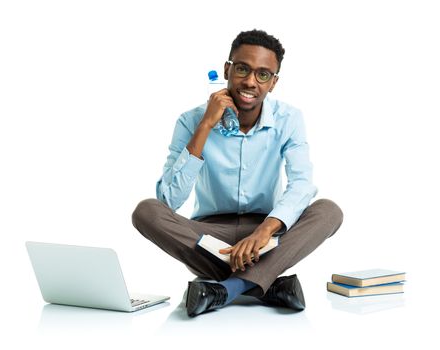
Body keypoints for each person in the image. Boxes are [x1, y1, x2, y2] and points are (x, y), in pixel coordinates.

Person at [132, 29, 343, 317]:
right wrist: (206, 125)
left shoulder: (289, 119)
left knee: (329, 211)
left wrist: (265, 231)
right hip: (208, 238)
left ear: (274, 83)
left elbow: (302, 184)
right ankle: (268, 284)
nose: (250, 82)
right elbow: (168, 200)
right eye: (243, 69)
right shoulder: (191, 120)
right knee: (146, 211)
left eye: (263, 75)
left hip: (266, 235)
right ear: (227, 69)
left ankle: (224, 290)